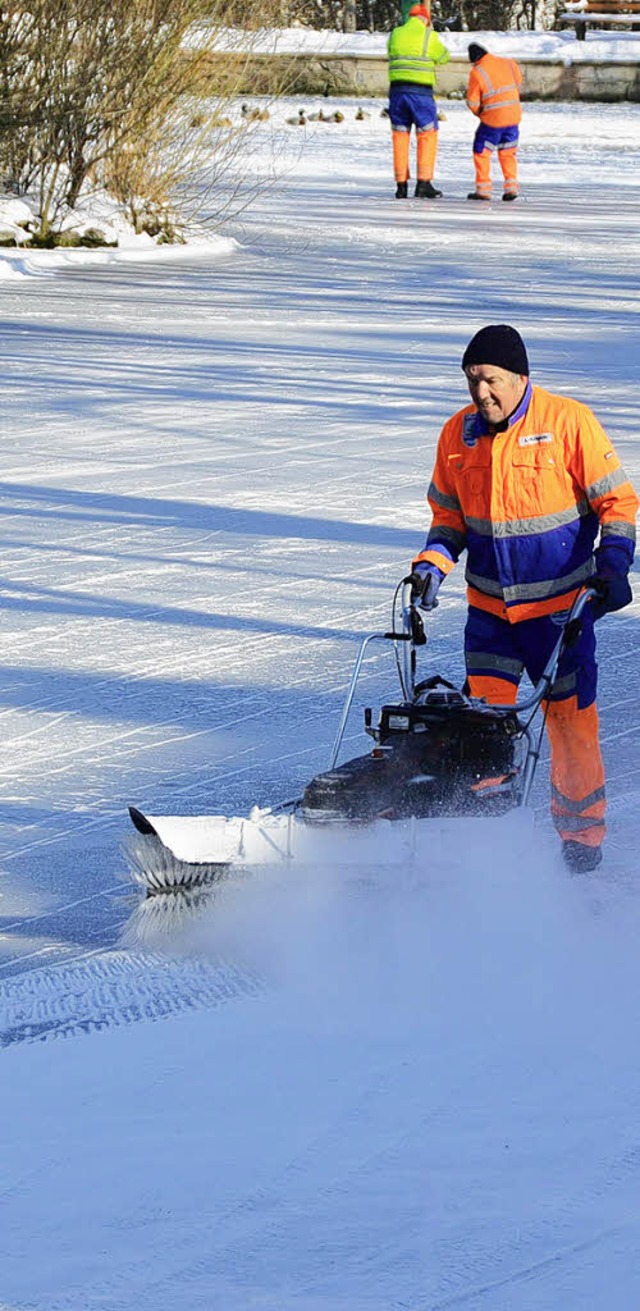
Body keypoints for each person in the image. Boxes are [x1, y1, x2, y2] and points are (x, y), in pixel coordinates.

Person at [411, 324, 638, 872]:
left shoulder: (568, 423)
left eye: (490, 380)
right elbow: (448, 518)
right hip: (491, 615)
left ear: (520, 377)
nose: (480, 393)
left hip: (561, 616)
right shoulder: (457, 436)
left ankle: (581, 841)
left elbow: (619, 504)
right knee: (482, 728)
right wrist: (431, 566)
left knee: (572, 727)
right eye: (471, 381)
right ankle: (484, 835)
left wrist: (612, 567)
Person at [387, 4, 450, 200]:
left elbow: (390, 53)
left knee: (400, 136)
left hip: (397, 92)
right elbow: (444, 57)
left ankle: (401, 185)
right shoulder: (428, 35)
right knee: (427, 135)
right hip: (421, 93)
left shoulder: (395, 34)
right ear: (426, 19)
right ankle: (423, 183)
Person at [466, 43, 522, 202]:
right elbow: (517, 82)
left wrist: (480, 113)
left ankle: (483, 189)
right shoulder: (509, 63)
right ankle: (511, 187)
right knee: (508, 152)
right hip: (514, 115)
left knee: (481, 152)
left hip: (493, 119)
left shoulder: (477, 72)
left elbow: (473, 102)